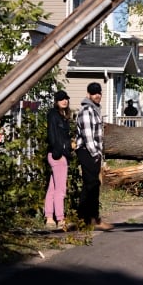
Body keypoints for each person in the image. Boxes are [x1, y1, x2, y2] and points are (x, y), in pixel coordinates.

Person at [75, 82, 113, 230]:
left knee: (89, 185)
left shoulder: (95, 110)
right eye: (94, 93)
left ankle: (83, 218)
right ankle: (94, 219)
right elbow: (88, 136)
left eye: (99, 93)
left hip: (94, 152)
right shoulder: (86, 111)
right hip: (87, 151)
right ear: (88, 94)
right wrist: (95, 154)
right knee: (93, 185)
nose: (97, 95)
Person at [44, 90, 72, 230]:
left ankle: (49, 217)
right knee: (61, 190)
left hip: (56, 154)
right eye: (61, 99)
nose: (64, 101)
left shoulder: (62, 116)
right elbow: (52, 135)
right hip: (58, 155)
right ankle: (60, 219)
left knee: (53, 187)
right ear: (56, 101)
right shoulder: (54, 115)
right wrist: (59, 152)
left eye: (66, 98)